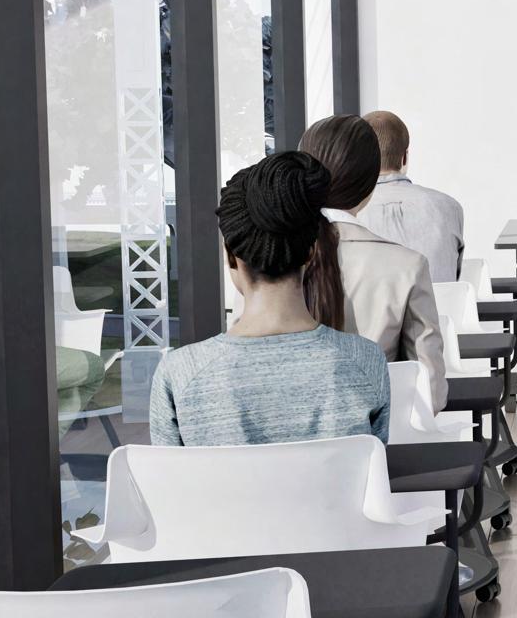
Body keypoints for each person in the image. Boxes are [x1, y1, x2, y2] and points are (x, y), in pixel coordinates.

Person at [149, 151, 388, 446]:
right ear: (312, 253)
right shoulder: (366, 362)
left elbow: (168, 475)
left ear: (231, 256)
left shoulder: (178, 375)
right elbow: (374, 467)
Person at [300, 114, 449, 410]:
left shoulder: (267, 259)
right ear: (371, 184)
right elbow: (430, 394)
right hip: (377, 434)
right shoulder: (407, 266)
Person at [359, 110, 467, 283]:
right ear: (404, 157)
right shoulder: (450, 207)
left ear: (359, 158)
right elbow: (453, 279)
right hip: (439, 302)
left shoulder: (346, 213)